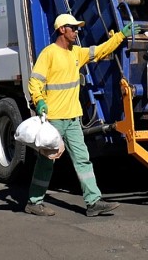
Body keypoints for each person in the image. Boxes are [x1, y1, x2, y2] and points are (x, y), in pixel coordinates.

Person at [25, 13, 140, 217]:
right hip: (53, 120)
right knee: (46, 161)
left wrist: (120, 36)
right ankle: (34, 201)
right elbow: (35, 81)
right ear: (62, 30)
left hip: (73, 119)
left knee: (83, 160)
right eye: (73, 28)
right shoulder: (48, 54)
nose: (77, 31)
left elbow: (100, 51)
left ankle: (93, 202)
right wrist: (39, 100)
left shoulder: (76, 53)